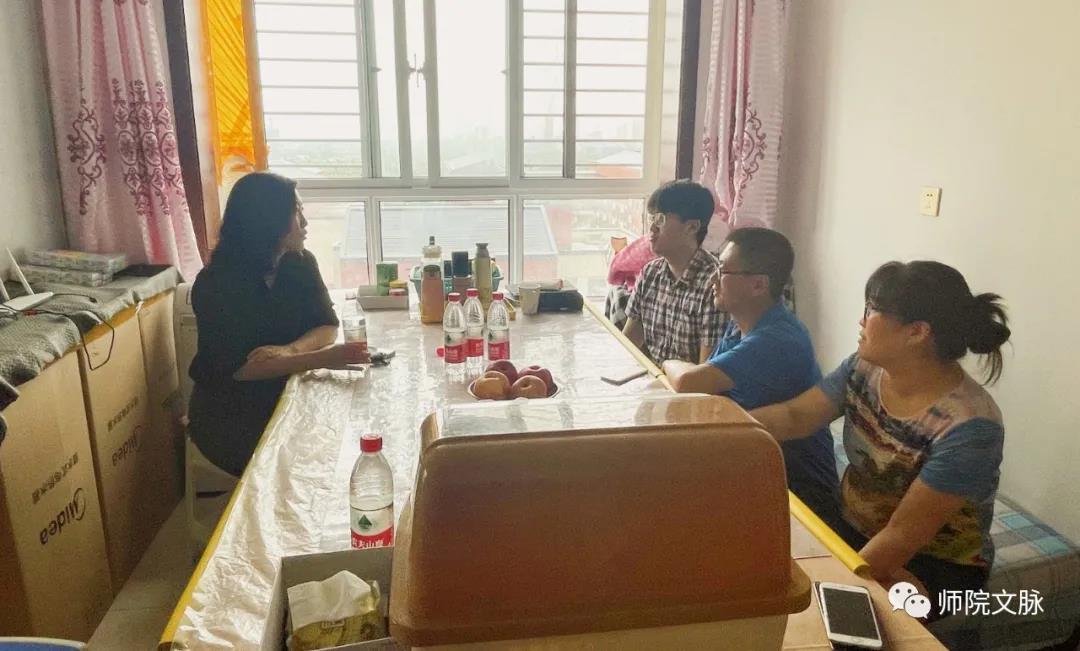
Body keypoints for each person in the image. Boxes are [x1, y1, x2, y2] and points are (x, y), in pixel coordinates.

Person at [750, 261, 1010, 605]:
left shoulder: (970, 428)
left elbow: (902, 536)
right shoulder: (864, 368)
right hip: (852, 525)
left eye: (871, 310)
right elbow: (795, 416)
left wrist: (827, 589)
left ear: (917, 332)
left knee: (839, 614)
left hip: (933, 562)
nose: (861, 321)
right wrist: (726, 429)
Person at [188, 172, 366, 476]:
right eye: (296, 213)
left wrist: (290, 350)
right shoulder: (216, 284)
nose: (305, 222)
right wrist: (323, 358)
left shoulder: (300, 262)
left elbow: (326, 326)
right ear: (269, 222)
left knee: (343, 433)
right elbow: (239, 369)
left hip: (288, 391)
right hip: (231, 414)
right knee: (305, 461)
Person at [662, 228, 838, 519]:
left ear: (758, 285)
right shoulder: (741, 325)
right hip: (750, 467)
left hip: (798, 494)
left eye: (723, 270)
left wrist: (668, 362)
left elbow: (688, 382)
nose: (712, 279)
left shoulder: (778, 338)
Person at [623, 180, 725, 364]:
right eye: (652, 219)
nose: (652, 228)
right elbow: (628, 344)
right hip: (653, 378)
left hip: (689, 381)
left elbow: (706, 371)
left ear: (692, 227)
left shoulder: (715, 284)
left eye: (660, 219)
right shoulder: (650, 273)